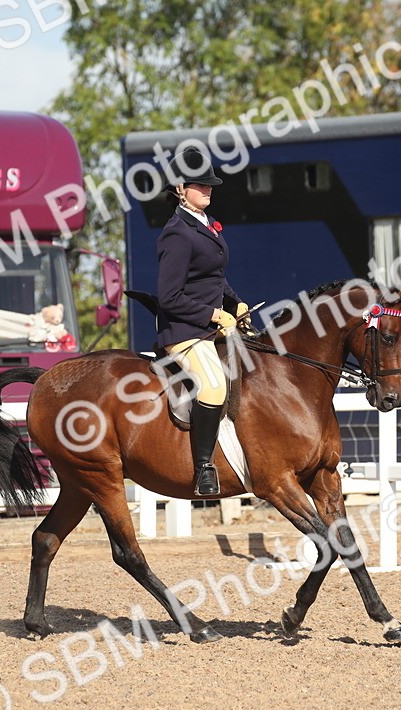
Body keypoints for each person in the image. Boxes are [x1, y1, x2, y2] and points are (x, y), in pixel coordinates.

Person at [155, 146, 248, 496]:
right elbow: (170, 297)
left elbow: (213, 278)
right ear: (181, 188)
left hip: (213, 326)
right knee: (212, 386)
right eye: (200, 184)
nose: (208, 189)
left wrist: (235, 303)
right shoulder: (177, 232)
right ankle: (204, 469)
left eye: (210, 184)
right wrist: (212, 313)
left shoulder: (205, 225)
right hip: (184, 331)